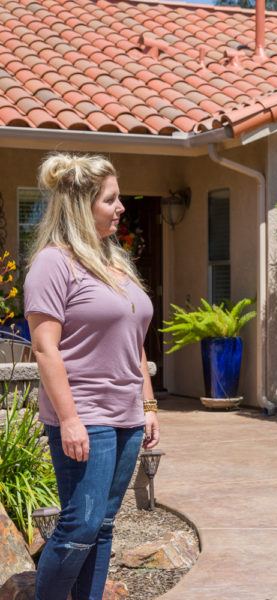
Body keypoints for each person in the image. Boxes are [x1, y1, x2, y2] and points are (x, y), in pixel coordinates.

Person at [24, 153, 160, 600]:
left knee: (101, 526)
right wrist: (68, 419)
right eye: (111, 199)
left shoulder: (115, 262)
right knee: (79, 524)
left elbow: (135, 340)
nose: (121, 207)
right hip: (86, 414)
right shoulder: (52, 263)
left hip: (126, 415)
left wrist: (149, 404)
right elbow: (45, 348)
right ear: (82, 206)